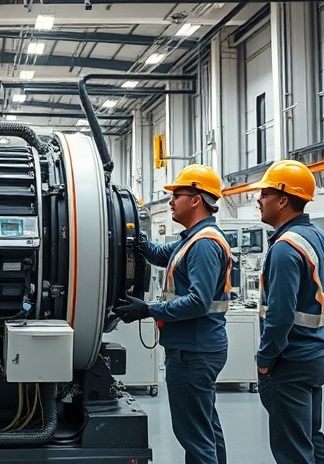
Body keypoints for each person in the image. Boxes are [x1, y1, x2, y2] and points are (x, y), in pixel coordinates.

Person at [115, 164, 233, 464]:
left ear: (196, 199)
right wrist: (140, 243)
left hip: (193, 351)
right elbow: (161, 255)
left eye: (176, 195)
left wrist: (148, 310)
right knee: (205, 428)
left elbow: (197, 302)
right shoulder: (192, 238)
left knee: (193, 434)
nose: (170, 201)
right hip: (195, 347)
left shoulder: (205, 243)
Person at [250, 159, 324, 464]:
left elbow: (280, 316)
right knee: (310, 439)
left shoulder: (286, 248)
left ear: (283, 200)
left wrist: (265, 359)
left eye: (265, 194)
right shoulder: (318, 237)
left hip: (291, 360)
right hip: (317, 355)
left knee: (292, 451)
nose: (258, 200)